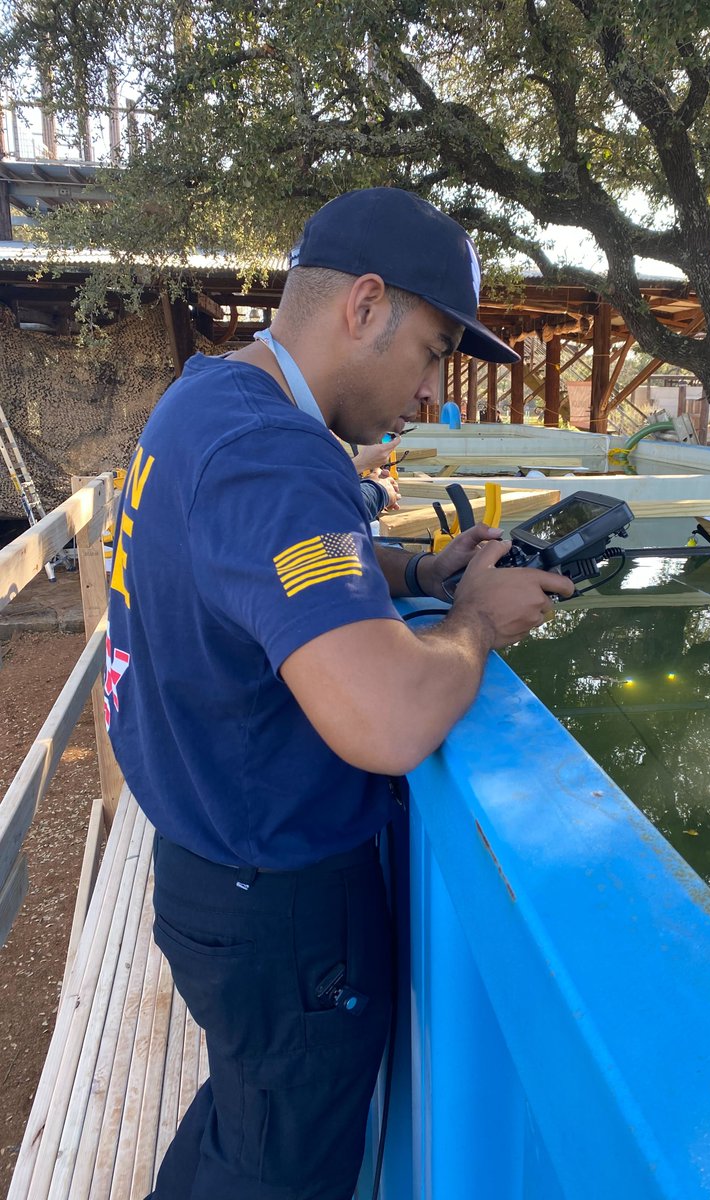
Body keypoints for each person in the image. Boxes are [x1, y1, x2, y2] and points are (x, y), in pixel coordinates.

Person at [104, 186, 573, 1200]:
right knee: (278, 1172)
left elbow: (260, 576)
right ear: (364, 305)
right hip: (281, 906)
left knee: (247, 1122)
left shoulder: (208, 404)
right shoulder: (272, 452)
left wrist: (420, 572)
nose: (431, 390)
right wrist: (477, 619)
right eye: (433, 351)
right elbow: (388, 720)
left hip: (210, 869)